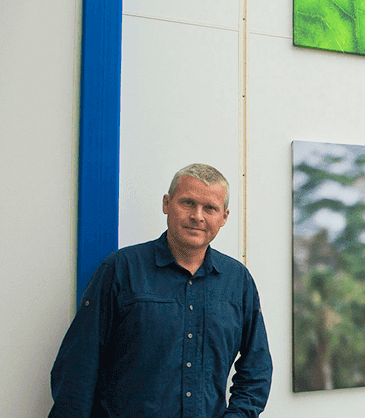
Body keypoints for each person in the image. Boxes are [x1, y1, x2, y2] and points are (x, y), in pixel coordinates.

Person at [49, 164, 272, 418]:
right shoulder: (121, 269)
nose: (197, 216)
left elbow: (257, 368)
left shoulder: (238, 281)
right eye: (188, 203)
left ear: (224, 217)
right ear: (167, 203)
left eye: (210, 208)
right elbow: (78, 366)